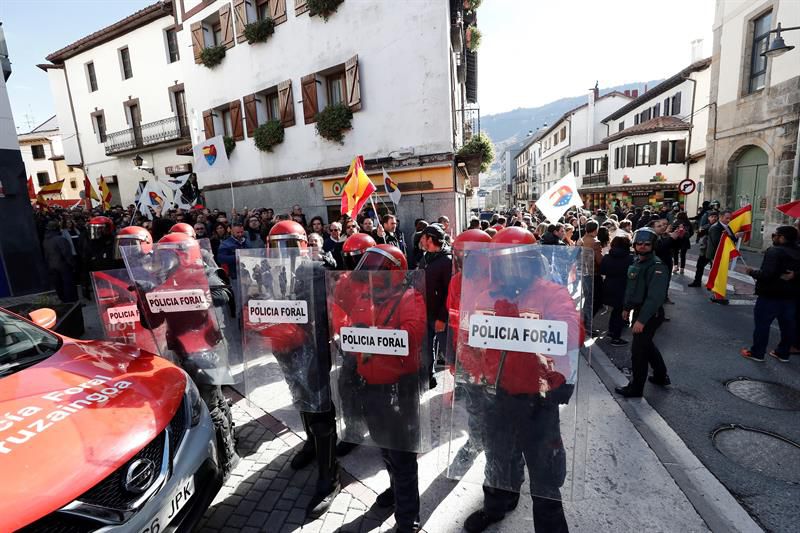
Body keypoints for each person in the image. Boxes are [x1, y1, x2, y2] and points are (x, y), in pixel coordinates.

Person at [462, 235, 578, 533]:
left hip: (538, 399)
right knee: (497, 459)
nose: (513, 269)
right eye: (506, 262)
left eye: (519, 261)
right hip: (497, 394)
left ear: (532, 262)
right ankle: (495, 507)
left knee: (544, 474)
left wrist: (519, 325)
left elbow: (572, 333)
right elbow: (468, 340)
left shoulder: (552, 293)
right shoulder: (486, 296)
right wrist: (474, 374)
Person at [133, 233, 239, 476]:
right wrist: (144, 298)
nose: (161, 261)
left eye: (166, 256)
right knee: (212, 402)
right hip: (182, 350)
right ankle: (228, 448)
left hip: (206, 350)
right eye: (160, 256)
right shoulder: (161, 279)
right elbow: (152, 322)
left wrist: (190, 290)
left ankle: (228, 457)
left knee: (212, 406)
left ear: (181, 254)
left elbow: (224, 295)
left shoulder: (200, 272)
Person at [264, 220, 341, 517]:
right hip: (286, 349)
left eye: (290, 245)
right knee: (302, 402)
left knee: (320, 412)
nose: (284, 252)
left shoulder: (316, 270)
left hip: (313, 350)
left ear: (303, 246)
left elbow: (324, 313)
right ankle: (311, 445)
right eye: (278, 246)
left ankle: (329, 477)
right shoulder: (268, 270)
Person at [615, 228, 670, 398]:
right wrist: (626, 308)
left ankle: (636, 388)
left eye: (647, 244)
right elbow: (633, 289)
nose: (642, 246)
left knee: (639, 352)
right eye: (639, 243)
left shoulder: (657, 267)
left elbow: (655, 298)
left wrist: (642, 320)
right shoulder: (638, 262)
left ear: (653, 245)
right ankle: (660, 375)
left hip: (649, 314)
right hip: (639, 311)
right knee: (646, 345)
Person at [740, 226, 800, 363]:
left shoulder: (774, 251)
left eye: (775, 235)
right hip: (791, 296)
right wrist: (794, 275)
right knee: (788, 326)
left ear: (782, 238)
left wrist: (751, 272)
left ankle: (757, 352)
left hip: (770, 295)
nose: (773, 237)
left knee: (762, 325)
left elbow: (767, 274)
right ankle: (783, 353)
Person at [417, 224, 453, 386]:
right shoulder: (426, 257)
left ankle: (460, 385)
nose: (421, 241)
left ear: (430, 239)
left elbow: (449, 293)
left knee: (448, 351)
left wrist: (442, 318)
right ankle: (428, 378)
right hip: (424, 313)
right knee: (425, 349)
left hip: (439, 317)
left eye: (423, 238)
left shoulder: (447, 261)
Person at [600, 236, 633, 346]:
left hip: (609, 286)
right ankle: (615, 337)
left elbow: (602, 270)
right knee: (619, 312)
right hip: (623, 287)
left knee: (615, 311)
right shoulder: (630, 259)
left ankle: (611, 331)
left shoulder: (607, 257)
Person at [705, 209, 741, 305]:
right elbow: (718, 242)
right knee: (718, 275)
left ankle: (717, 294)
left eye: (730, 218)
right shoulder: (715, 227)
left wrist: (736, 236)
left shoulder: (727, 226)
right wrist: (731, 237)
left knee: (720, 274)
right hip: (717, 255)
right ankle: (717, 296)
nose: (729, 220)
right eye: (727, 218)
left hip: (723, 255)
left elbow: (731, 239)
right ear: (720, 217)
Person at [43, 220, 78, 303]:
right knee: (68, 284)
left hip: (52, 265)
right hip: (63, 265)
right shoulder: (60, 239)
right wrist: (73, 265)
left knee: (58, 284)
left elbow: (46, 255)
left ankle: (64, 300)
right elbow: (67, 254)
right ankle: (71, 301)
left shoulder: (45, 240)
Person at [688, 211, 718, 287]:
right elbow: (700, 234)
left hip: (714, 251)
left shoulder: (718, 227)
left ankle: (713, 284)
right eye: (712, 217)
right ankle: (697, 282)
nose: (714, 218)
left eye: (715, 217)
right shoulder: (706, 226)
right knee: (699, 266)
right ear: (708, 218)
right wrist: (700, 231)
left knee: (714, 268)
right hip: (704, 250)